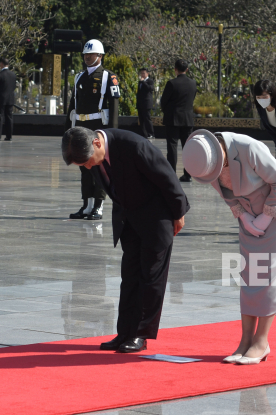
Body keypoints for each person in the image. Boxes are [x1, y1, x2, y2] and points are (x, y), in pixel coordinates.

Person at [61, 126, 189, 353]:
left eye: (89, 162)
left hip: (156, 217)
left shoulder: (134, 146)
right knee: (129, 277)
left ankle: (140, 334)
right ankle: (124, 332)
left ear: (97, 143)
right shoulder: (93, 155)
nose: (90, 167)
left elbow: (167, 176)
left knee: (150, 277)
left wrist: (178, 213)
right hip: (128, 220)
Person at [182, 129, 276, 365]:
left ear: (220, 151)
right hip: (248, 211)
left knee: (270, 270)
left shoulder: (248, 148)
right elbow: (227, 194)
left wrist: (266, 216)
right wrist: (243, 216)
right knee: (249, 271)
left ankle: (261, 342)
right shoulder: (203, 162)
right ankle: (245, 340)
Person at [66, 39, 121, 221]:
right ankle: (86, 205)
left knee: (98, 167)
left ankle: (98, 206)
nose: (87, 57)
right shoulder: (79, 77)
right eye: (85, 54)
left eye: (91, 54)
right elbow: (73, 105)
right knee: (83, 166)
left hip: (99, 127)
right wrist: (68, 130)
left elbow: (114, 107)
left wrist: (111, 134)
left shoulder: (108, 77)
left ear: (100, 56)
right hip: (82, 126)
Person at [160, 58, 197, 182]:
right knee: (187, 147)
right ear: (187, 69)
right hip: (187, 119)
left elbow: (163, 101)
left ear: (175, 69)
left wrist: (167, 111)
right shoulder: (193, 83)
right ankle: (188, 174)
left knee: (172, 147)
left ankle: (171, 173)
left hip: (173, 119)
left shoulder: (172, 83)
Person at [0, 58, 17, 141]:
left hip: (0, 99)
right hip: (10, 99)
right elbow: (13, 86)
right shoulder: (13, 74)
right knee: (9, 117)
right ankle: (9, 136)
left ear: (1, 64)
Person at [136, 67, 155, 139]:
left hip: (147, 103)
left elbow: (150, 89)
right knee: (141, 120)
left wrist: (143, 82)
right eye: (141, 73)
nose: (142, 75)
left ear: (147, 73)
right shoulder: (140, 81)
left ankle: (151, 133)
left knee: (147, 119)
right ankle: (144, 134)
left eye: (144, 73)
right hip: (140, 103)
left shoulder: (150, 81)